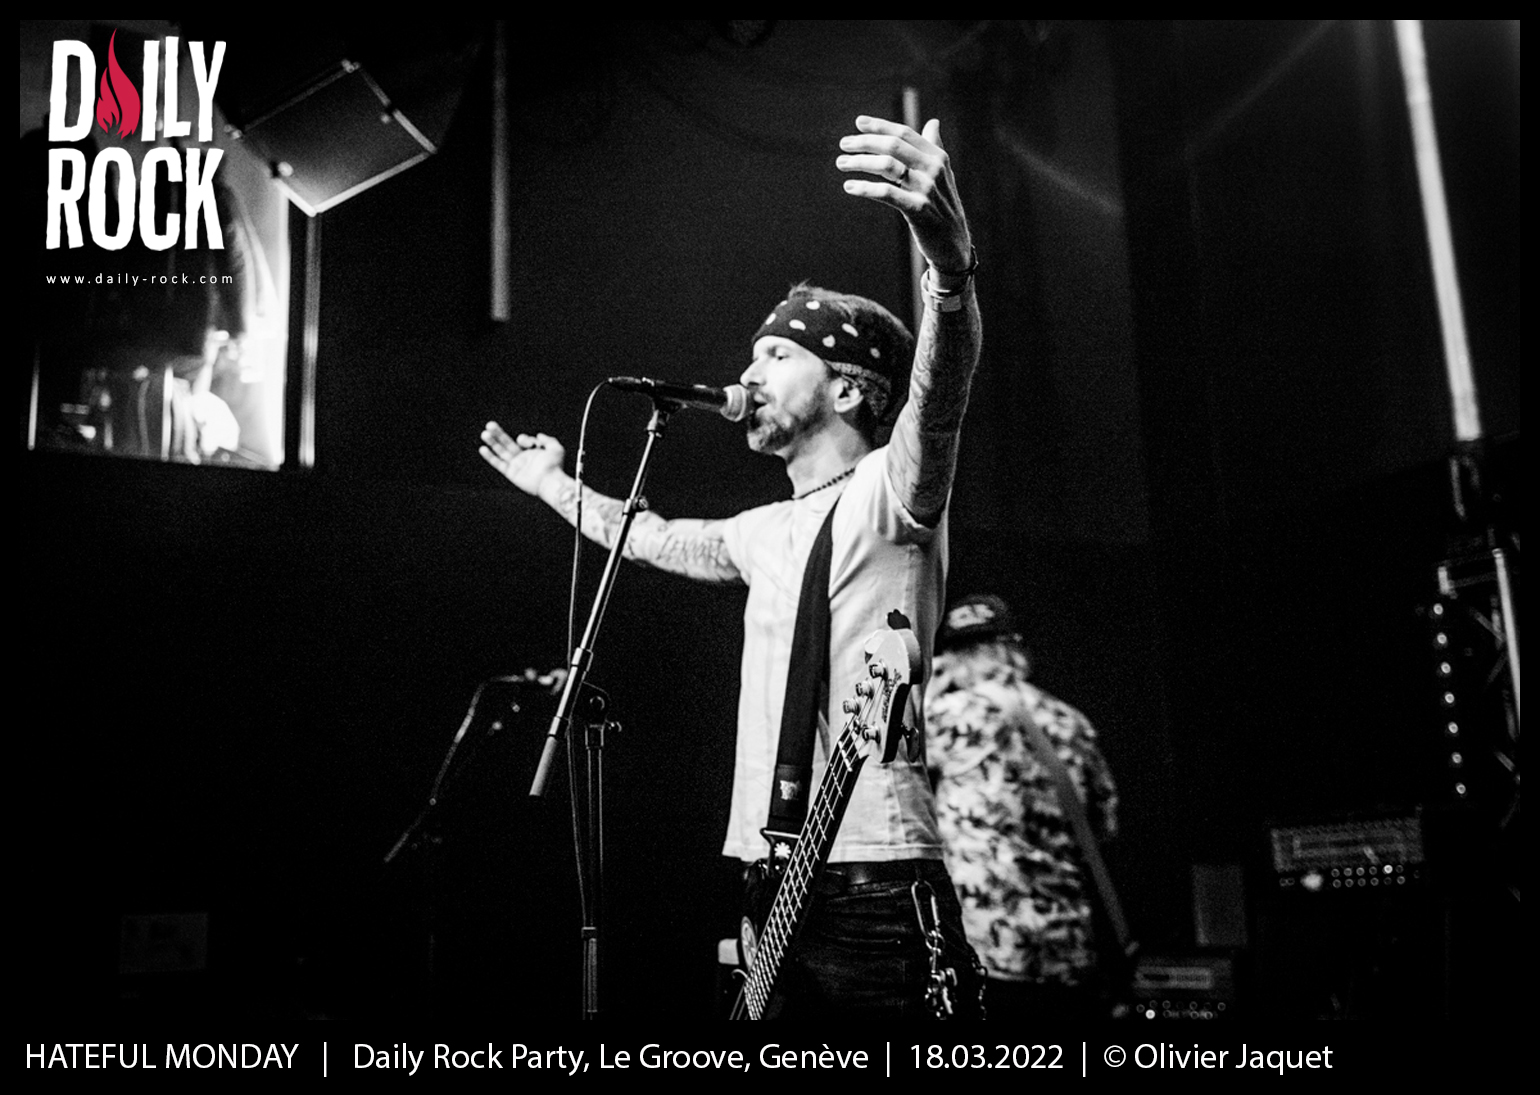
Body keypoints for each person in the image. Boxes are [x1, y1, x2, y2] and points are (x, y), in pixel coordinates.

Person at [480, 115, 982, 1018]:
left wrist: (948, 269)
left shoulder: (892, 490)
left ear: (848, 387)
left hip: (873, 873)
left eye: (778, 354)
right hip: (767, 870)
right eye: (752, 353)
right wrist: (552, 484)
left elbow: (940, 394)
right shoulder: (763, 528)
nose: (748, 372)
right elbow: (655, 536)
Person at [925, 592, 1120, 1023]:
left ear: (953, 658)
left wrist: (930, 687)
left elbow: (891, 762)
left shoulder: (947, 716)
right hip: (1066, 948)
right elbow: (1105, 827)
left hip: (987, 951)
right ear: (1013, 649)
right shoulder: (1070, 721)